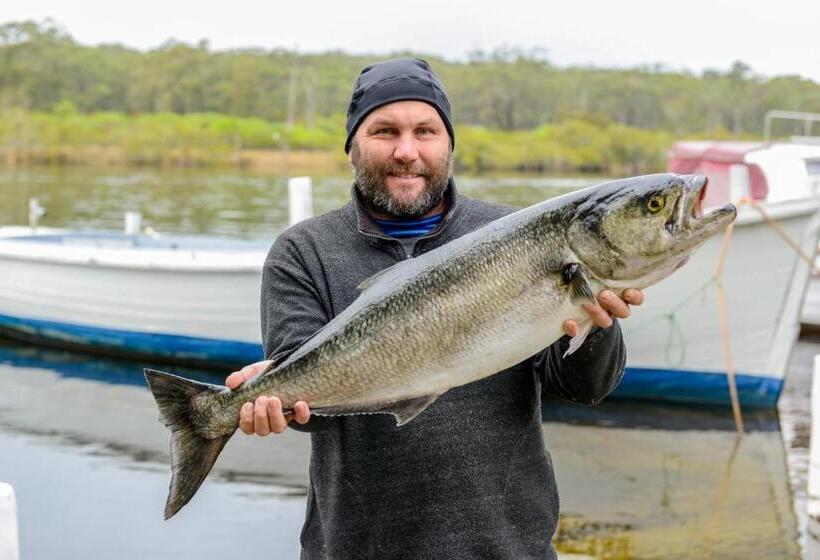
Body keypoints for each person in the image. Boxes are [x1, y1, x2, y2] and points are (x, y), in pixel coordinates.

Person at [225, 58, 643, 559]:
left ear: (448, 143)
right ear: (353, 146)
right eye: (385, 131)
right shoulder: (303, 250)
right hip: (358, 547)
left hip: (506, 547)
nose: (407, 151)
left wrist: (598, 325)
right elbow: (310, 401)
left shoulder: (518, 237)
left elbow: (583, 388)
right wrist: (275, 402)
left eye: (426, 131)